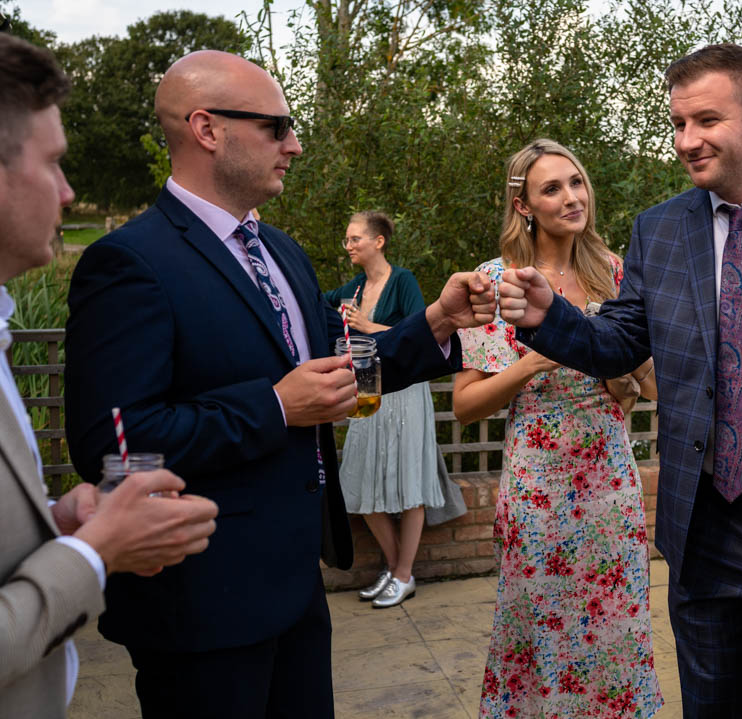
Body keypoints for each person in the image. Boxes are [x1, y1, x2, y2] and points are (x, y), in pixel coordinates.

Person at [63, 50, 494, 718]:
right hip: (202, 605)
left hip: (297, 588)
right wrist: (272, 407)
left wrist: (436, 319)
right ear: (207, 129)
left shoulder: (282, 251)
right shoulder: (129, 261)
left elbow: (343, 363)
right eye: (276, 127)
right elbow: (113, 442)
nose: (294, 145)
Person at [497, 45, 742, 717]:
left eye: (706, 120)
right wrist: (550, 318)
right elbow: (620, 341)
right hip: (710, 524)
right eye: (678, 124)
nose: (686, 140)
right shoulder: (660, 228)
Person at [0, 34, 218, 718]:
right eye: (53, 162)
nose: (69, 193)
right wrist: (93, 553)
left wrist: (55, 524)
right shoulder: (130, 263)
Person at [454, 139, 662, 718]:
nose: (572, 197)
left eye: (576, 182)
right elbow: (465, 406)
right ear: (523, 205)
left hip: (610, 482)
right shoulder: (496, 282)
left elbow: (650, 385)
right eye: (552, 188)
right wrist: (532, 363)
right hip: (539, 490)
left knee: (616, 629)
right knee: (544, 634)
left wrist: (631, 375)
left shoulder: (615, 272)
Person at [325, 210, 455, 607]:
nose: (348, 245)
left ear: (378, 241)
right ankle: (398, 568)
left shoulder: (403, 281)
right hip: (367, 390)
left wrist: (366, 327)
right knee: (359, 479)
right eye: (346, 240)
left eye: (355, 239)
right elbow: (316, 306)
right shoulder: (352, 288)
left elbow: (421, 333)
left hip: (406, 390)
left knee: (409, 481)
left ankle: (401, 574)